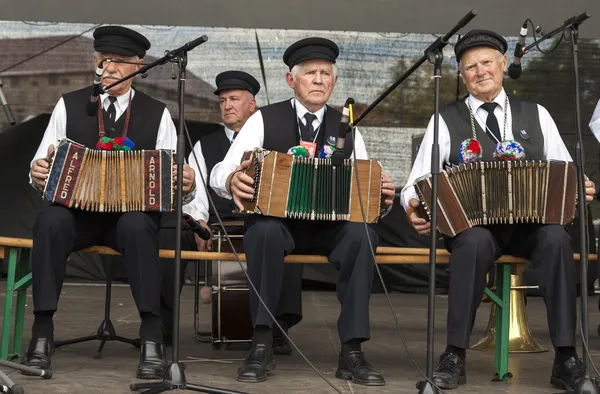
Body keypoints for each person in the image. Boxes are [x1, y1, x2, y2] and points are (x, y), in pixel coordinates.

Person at [401, 29, 596, 391]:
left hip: (531, 224)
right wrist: (413, 204)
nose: (480, 72)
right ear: (461, 74)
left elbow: (566, 170)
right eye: (470, 67)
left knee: (555, 238)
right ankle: (453, 356)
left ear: (503, 64)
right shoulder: (445, 119)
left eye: (487, 62)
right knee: (472, 242)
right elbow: (416, 182)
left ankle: (566, 357)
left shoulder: (535, 113)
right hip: (476, 227)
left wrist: (579, 187)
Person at [210, 37, 395, 385]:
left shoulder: (347, 125)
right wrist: (233, 178)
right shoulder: (264, 118)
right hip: (280, 224)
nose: (320, 80)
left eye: (326, 74)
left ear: (335, 82)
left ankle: (352, 349)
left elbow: (364, 183)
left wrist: (380, 195)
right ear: (291, 80)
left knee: (363, 234)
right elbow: (220, 170)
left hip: (331, 226)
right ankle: (262, 341)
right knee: (262, 231)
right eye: (310, 73)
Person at [23, 26, 196, 380]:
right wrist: (38, 171)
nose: (111, 68)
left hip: (128, 217)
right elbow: (40, 163)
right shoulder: (69, 104)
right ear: (95, 62)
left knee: (138, 225)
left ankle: (151, 336)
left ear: (139, 65)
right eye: (104, 60)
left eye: (120, 61)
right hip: (79, 215)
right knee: (50, 221)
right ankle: (41, 333)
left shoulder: (157, 113)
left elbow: (172, 179)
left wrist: (187, 184)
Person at [160, 70, 305, 355]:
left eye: (234, 99)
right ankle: (162, 323)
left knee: (284, 235)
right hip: (218, 222)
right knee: (170, 233)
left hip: (266, 218)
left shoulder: (272, 135)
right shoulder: (205, 145)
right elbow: (196, 191)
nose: (227, 105)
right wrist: (199, 221)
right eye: (223, 100)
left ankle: (278, 327)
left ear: (252, 104)